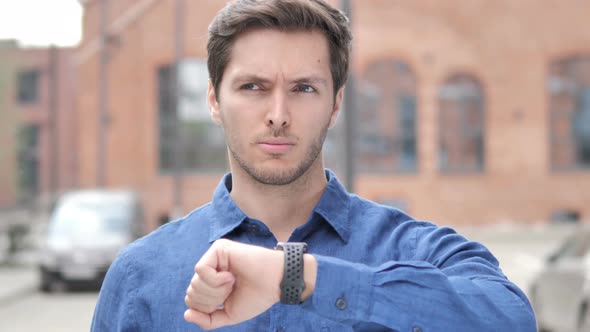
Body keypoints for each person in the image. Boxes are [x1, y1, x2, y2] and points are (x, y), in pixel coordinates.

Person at [91, 0, 536, 331]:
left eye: (304, 88)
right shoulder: (141, 276)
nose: (278, 113)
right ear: (214, 100)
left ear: (336, 103)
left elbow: (511, 319)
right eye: (252, 87)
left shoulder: (415, 251)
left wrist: (298, 277)